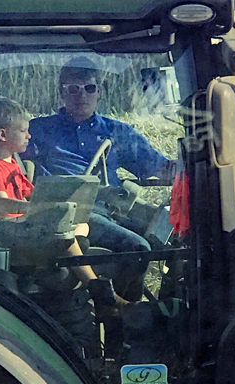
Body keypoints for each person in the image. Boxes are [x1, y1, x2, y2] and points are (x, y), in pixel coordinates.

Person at [23, 57, 176, 301]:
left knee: (174, 243)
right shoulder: (37, 130)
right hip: (66, 214)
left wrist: (195, 164)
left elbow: (160, 167)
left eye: (89, 89)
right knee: (137, 249)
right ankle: (126, 318)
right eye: (73, 89)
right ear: (61, 93)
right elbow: (3, 154)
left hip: (110, 210)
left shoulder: (117, 132)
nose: (81, 96)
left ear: (99, 92)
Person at [0, 98, 131, 312]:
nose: (29, 136)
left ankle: (67, 246)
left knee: (82, 224)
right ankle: (95, 286)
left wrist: (57, 197)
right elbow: (1, 204)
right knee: (64, 234)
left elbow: (32, 194)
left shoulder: (12, 163)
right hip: (9, 234)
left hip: (25, 227)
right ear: (3, 135)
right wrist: (36, 208)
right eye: (22, 131)